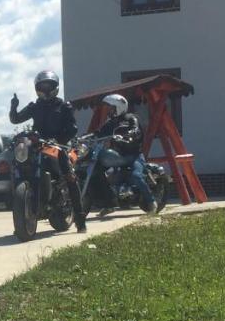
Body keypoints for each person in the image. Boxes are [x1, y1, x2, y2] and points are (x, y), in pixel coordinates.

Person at [9, 69, 87, 232]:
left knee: (69, 176)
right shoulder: (35, 106)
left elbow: (73, 128)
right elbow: (16, 119)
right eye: (42, 86)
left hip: (58, 146)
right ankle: (21, 218)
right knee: (20, 166)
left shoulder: (64, 106)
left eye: (48, 85)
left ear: (54, 87)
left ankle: (80, 220)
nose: (44, 89)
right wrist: (13, 107)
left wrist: (59, 140)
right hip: (38, 145)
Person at [94, 93, 157, 213]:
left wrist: (129, 135)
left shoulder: (131, 118)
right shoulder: (110, 123)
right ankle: (109, 204)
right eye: (109, 108)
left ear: (119, 107)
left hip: (134, 156)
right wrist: (83, 137)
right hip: (118, 156)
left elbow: (136, 129)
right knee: (105, 176)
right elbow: (98, 133)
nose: (109, 111)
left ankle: (151, 201)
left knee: (136, 176)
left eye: (111, 108)